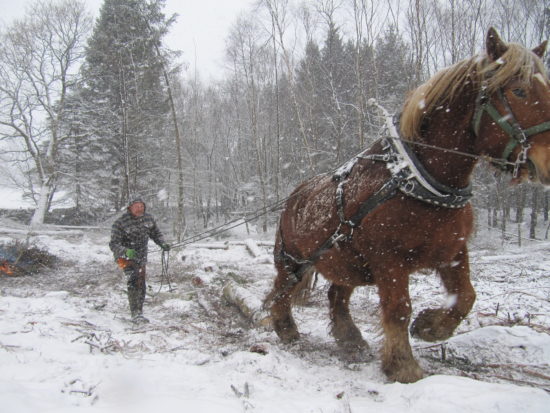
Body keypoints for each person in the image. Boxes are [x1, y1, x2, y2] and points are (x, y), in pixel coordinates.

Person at [109, 198, 170, 323]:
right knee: (133, 278)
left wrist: (162, 243)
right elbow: (113, 244)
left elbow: (156, 234)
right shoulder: (120, 223)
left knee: (141, 282)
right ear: (130, 208)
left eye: (141, 206)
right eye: (136, 206)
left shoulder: (148, 219)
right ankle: (135, 313)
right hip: (124, 257)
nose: (139, 209)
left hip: (141, 256)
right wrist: (125, 251)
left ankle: (139, 310)